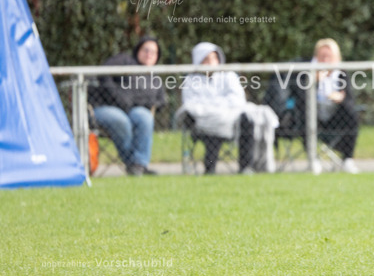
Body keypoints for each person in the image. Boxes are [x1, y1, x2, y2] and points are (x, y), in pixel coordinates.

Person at [177, 42, 279, 174]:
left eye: (214, 58)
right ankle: (210, 169)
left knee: (247, 118)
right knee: (213, 124)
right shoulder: (191, 81)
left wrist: (215, 106)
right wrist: (218, 108)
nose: (211, 62)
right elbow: (193, 105)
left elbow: (237, 100)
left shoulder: (229, 76)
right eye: (206, 59)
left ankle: (246, 167)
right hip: (206, 123)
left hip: (231, 119)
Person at [89, 36, 166, 175]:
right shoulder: (125, 61)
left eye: (153, 52)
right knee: (121, 120)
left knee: (145, 117)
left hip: (132, 111)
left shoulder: (155, 78)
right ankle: (132, 164)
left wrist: (145, 103)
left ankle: (140, 165)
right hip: (104, 107)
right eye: (146, 50)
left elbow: (160, 101)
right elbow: (103, 73)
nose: (149, 54)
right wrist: (117, 95)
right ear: (138, 50)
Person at [312, 38, 360, 174]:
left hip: (335, 119)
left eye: (329, 56)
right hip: (314, 119)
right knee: (303, 114)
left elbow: (350, 101)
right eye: (322, 57)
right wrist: (314, 83)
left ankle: (348, 160)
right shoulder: (307, 74)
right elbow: (300, 100)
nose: (326, 60)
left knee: (352, 114)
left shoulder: (342, 74)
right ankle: (313, 160)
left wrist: (340, 98)